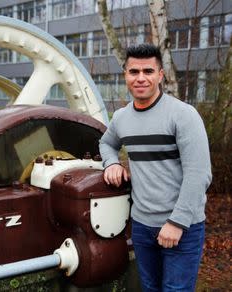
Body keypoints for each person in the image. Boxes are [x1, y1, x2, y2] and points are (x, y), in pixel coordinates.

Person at [99, 43, 212, 291]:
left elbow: (199, 174)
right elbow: (106, 143)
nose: (141, 78)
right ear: (125, 75)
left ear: (160, 74)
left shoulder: (183, 115)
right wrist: (112, 163)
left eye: (148, 71)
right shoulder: (121, 118)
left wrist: (177, 223)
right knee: (150, 288)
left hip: (182, 227)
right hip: (141, 226)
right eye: (134, 72)